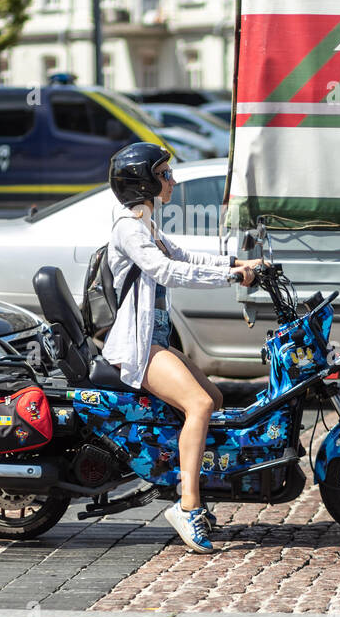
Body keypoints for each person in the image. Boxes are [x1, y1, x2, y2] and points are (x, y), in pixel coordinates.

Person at [102, 143, 265, 553]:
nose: (171, 180)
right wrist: (231, 280)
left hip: (156, 341)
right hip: (138, 348)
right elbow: (166, 270)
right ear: (144, 182)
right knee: (199, 405)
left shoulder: (147, 224)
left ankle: (185, 478)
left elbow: (184, 254)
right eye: (165, 173)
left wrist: (237, 264)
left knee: (214, 396)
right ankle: (188, 505)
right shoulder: (128, 227)